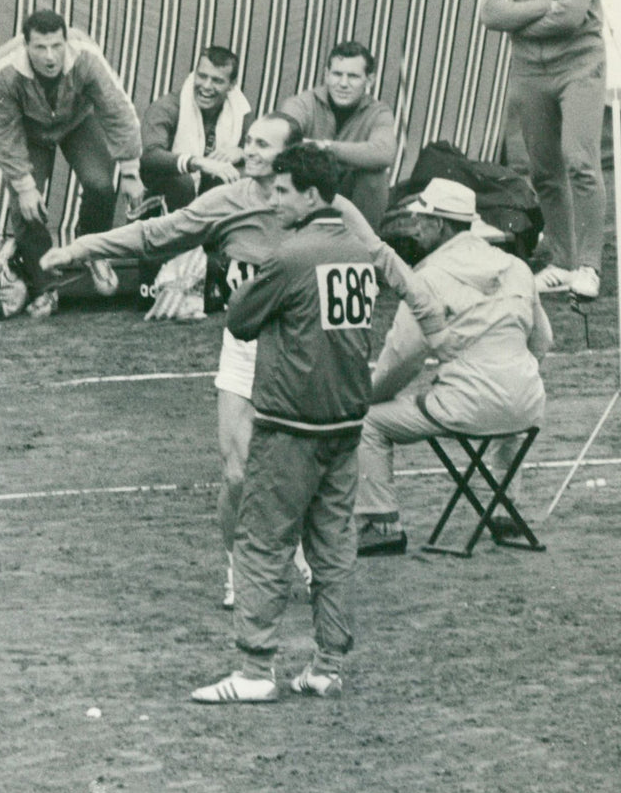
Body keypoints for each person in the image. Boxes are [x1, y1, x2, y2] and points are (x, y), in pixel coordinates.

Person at [190, 144, 447, 704]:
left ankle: (256, 670)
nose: (272, 199)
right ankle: (327, 664)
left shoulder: (291, 255)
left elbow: (241, 319)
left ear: (310, 195)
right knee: (333, 547)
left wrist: (241, 287)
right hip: (344, 425)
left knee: (261, 542)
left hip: (290, 425)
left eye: (282, 190)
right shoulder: (361, 250)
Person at [39, 112, 311, 606]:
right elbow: (153, 234)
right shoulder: (226, 200)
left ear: (291, 156)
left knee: (296, 472)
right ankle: (238, 569)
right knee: (236, 472)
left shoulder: (320, 207)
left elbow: (373, 253)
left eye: (263, 145)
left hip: (304, 354)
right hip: (246, 350)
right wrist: (82, 247)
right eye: (248, 141)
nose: (249, 151)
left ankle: (300, 554)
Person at [335, 178, 553, 556]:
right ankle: (505, 508)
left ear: (441, 225)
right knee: (507, 414)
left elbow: (401, 359)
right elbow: (542, 342)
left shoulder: (428, 278)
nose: (415, 226)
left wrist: (370, 398)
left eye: (423, 219)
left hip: (466, 407)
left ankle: (380, 523)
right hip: (528, 404)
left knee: (367, 421)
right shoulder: (515, 267)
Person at [479, 0, 606, 301]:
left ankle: (589, 266)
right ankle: (562, 261)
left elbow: (571, 18)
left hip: (578, 67)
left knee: (580, 161)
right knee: (544, 170)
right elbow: (488, 13)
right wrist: (540, 7)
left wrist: (517, 15)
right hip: (530, 71)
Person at [0, 9, 145, 319]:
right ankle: (45, 286)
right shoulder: (5, 72)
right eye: (40, 47)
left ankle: (94, 251)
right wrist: (24, 185)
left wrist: (129, 170)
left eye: (56, 46)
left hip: (77, 122)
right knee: (25, 206)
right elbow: (3, 134)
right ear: (25, 45)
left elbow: (117, 110)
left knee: (101, 183)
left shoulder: (86, 59)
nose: (49, 56)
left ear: (66, 41)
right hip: (29, 132)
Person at [279, 41, 396, 231]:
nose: (343, 84)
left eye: (353, 76)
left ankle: (363, 248)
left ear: (370, 80)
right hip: (306, 191)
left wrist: (324, 146)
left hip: (349, 196)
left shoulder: (378, 112)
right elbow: (283, 137)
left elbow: (384, 153)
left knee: (375, 174)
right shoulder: (304, 103)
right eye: (337, 74)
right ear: (326, 75)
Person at [138, 46, 253, 213]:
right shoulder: (168, 107)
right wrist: (197, 162)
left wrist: (242, 152)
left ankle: (214, 237)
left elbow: (268, 155)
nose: (206, 86)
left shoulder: (240, 111)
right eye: (202, 76)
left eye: (217, 80)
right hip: (163, 200)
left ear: (231, 85)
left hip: (208, 199)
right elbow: (149, 155)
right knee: (182, 182)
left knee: (238, 177)